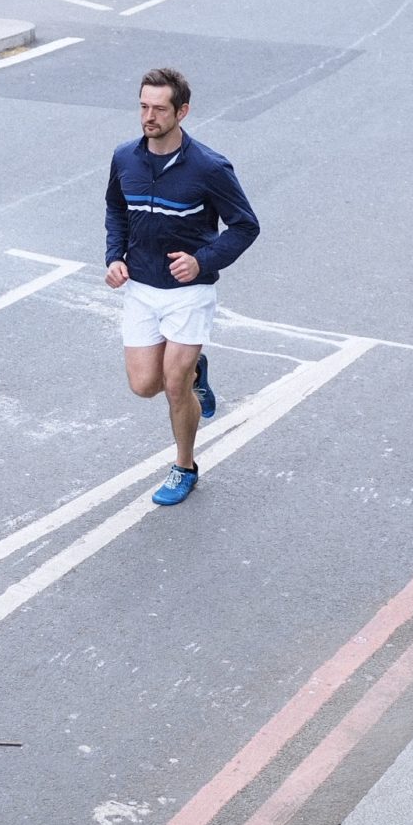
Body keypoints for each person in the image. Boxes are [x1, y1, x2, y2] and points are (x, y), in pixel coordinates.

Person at [104, 68, 260, 507]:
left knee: (174, 388)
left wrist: (202, 260)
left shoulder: (209, 168)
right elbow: (117, 209)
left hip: (189, 292)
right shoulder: (125, 158)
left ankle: (185, 466)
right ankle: (196, 369)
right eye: (143, 106)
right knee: (144, 386)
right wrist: (114, 257)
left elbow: (245, 226)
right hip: (141, 288)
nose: (148, 116)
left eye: (158, 108)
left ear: (182, 112)